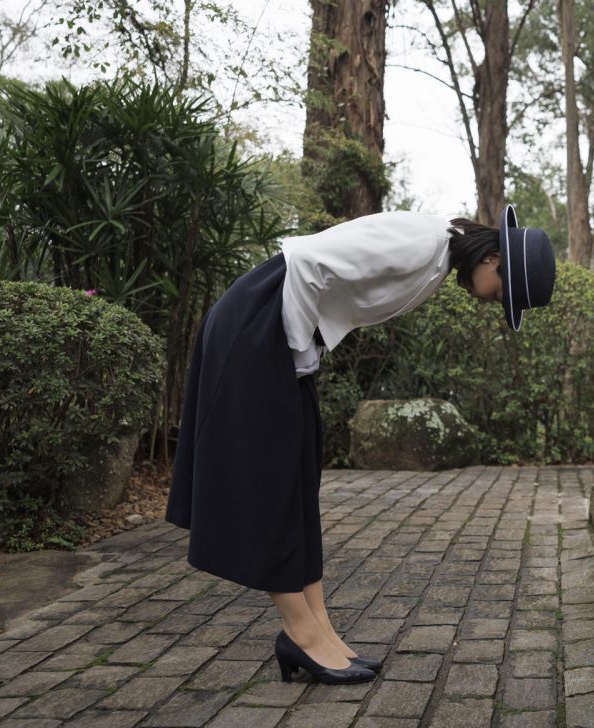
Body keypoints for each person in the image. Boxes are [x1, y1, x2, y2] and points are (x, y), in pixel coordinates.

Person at [165, 205, 555, 685]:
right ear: (493, 259)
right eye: (502, 294)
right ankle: (301, 633)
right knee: (269, 487)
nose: (494, 302)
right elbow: (307, 260)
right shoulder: (423, 242)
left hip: (280, 333)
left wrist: (303, 349)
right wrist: (297, 349)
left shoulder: (437, 256)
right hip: (259, 327)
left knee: (298, 481)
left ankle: (320, 631)